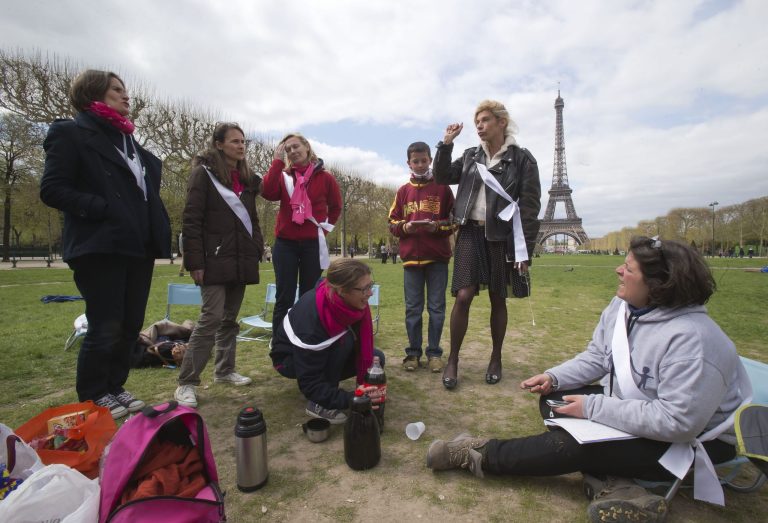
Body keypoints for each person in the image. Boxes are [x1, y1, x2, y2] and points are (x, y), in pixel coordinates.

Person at [426, 237, 751, 523]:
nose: (618, 271)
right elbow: (598, 357)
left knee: (575, 444)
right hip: (642, 413)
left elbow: (678, 423)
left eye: (628, 269)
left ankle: (476, 453)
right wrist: (554, 377)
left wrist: (592, 408)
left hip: (690, 446)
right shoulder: (625, 306)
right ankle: (620, 487)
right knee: (554, 399)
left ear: (658, 284)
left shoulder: (695, 341)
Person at [40, 69, 171, 419]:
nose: (126, 95)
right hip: (100, 245)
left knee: (130, 325)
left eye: (125, 89)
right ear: (93, 95)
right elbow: (52, 189)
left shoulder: (130, 142)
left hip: (137, 246)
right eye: (116, 90)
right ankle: (94, 393)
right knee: (106, 324)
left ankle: (116, 387)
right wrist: (104, 208)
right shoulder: (70, 133)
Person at [433, 99, 541, 389]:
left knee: (497, 297)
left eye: (485, 120)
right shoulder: (470, 156)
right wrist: (445, 144)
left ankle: (496, 357)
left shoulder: (522, 160)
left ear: (501, 122)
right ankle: (453, 359)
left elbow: (530, 209)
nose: (479, 125)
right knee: (463, 296)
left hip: (501, 236)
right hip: (470, 232)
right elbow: (441, 176)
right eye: (477, 121)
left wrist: (525, 251)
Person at [174, 123, 264, 409]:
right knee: (210, 318)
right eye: (235, 141)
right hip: (212, 260)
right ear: (218, 144)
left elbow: (253, 218)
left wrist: (257, 246)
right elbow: (191, 220)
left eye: (243, 141)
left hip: (240, 259)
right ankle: (186, 382)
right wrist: (195, 261)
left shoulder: (248, 179)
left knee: (228, 320)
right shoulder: (203, 175)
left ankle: (224, 370)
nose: (241, 146)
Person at [270, 259, 385, 424]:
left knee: (376, 360)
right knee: (343, 341)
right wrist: (352, 398)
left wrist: (365, 386)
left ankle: (337, 389)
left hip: (318, 353)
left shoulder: (343, 302)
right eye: (364, 289)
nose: (370, 293)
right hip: (288, 360)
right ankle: (318, 404)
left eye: (370, 285)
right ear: (342, 290)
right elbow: (309, 383)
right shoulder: (312, 322)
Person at [261, 133, 342, 339]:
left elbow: (336, 207)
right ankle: (280, 342)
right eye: (287, 150)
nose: (292, 152)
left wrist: (323, 229)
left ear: (307, 147)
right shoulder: (284, 176)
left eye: (296, 146)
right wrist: (277, 163)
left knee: (309, 296)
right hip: (285, 244)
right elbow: (268, 193)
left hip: (312, 244)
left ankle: (307, 337)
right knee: (284, 296)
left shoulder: (326, 178)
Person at [388, 141, 455, 373]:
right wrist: (405, 228)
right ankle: (413, 354)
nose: (419, 164)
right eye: (415, 161)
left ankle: (434, 353)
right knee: (413, 309)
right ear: (408, 163)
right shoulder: (402, 191)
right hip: (410, 261)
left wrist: (436, 227)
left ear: (430, 160)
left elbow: (454, 221)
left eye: (423, 160)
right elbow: (392, 222)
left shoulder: (443, 188)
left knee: (437, 308)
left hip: (437, 258)